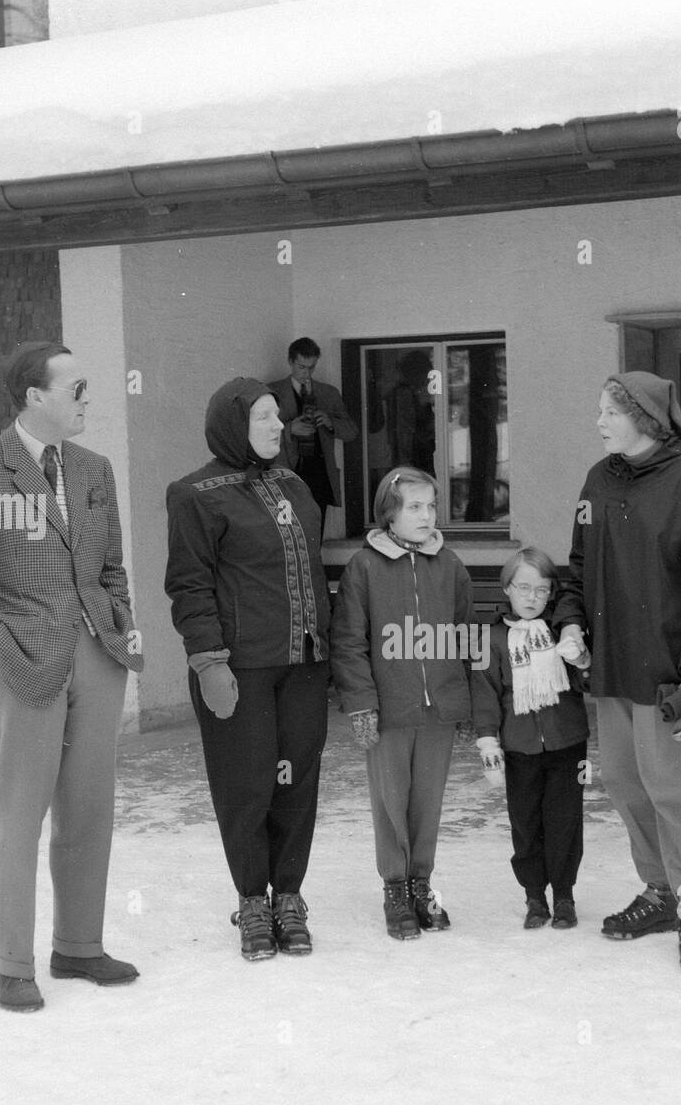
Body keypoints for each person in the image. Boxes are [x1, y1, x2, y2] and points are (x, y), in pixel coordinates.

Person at [0, 341, 144, 1013]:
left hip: (98, 659)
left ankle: (78, 945)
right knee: (18, 818)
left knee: (89, 810)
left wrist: (119, 627)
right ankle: (13, 965)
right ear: (34, 397)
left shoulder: (93, 470)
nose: (87, 399)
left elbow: (109, 567)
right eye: (76, 387)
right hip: (27, 662)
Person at [553, 372, 681, 972]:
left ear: (645, 417)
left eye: (610, 411)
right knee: (627, 781)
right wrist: (572, 623)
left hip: (670, 672)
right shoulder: (597, 480)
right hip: (610, 666)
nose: (600, 420)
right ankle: (660, 891)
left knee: (676, 788)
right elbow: (578, 566)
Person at [164, 378, 331, 962]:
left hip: (304, 665)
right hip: (242, 670)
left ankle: (289, 896)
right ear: (235, 424)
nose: (277, 426)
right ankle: (252, 900)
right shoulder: (195, 494)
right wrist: (208, 661)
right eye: (263, 417)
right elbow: (188, 586)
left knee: (296, 784)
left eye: (277, 417)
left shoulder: (292, 483)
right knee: (248, 784)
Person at [330, 465, 475, 940]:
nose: (426, 515)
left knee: (428, 801)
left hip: (438, 711)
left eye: (431, 506)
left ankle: (421, 884)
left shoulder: (449, 564)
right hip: (388, 711)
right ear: (389, 514)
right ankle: (395, 886)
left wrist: (467, 701)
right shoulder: (364, 566)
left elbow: (464, 633)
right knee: (392, 800)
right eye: (414, 506)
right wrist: (361, 705)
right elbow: (349, 641)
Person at [472, 548, 590, 930]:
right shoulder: (491, 639)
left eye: (542, 590)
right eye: (523, 587)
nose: (532, 597)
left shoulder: (562, 631)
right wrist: (488, 745)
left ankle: (565, 895)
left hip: (566, 743)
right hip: (519, 747)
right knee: (525, 822)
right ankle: (535, 896)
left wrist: (582, 658)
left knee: (565, 821)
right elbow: (485, 696)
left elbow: (587, 680)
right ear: (507, 588)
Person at [269, 338, 359, 534]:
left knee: (315, 535)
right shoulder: (271, 392)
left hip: (319, 474)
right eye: (302, 367)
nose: (306, 373)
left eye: (312, 367)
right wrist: (289, 428)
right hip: (286, 474)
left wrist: (330, 422)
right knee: (287, 536)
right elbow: (256, 434)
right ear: (290, 361)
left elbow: (352, 432)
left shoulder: (328, 393)